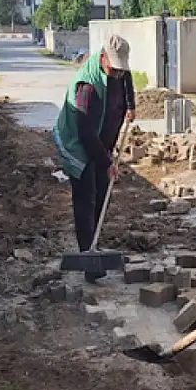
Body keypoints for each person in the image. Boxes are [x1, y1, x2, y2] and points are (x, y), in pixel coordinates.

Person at [52, 34, 136, 283]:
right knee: (86, 196)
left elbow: (127, 79)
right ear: (102, 59)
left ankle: (95, 243)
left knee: (102, 191)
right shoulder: (86, 88)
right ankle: (88, 257)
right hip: (80, 144)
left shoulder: (119, 72)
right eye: (114, 69)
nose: (119, 74)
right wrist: (107, 162)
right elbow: (86, 134)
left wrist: (131, 105)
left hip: (102, 142)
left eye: (122, 70)